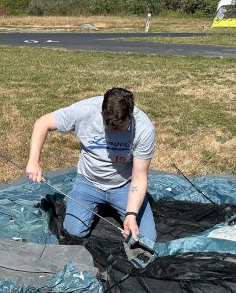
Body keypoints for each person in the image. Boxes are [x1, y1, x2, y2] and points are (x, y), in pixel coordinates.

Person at [25, 87, 156, 242]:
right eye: (109, 127)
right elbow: (42, 123)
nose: (114, 133)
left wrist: (131, 214)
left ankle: (121, 208)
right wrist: (33, 161)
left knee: (145, 239)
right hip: (89, 182)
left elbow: (139, 177)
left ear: (131, 116)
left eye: (120, 128)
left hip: (124, 185)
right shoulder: (85, 110)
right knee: (73, 233)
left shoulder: (143, 128)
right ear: (102, 113)